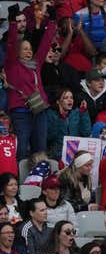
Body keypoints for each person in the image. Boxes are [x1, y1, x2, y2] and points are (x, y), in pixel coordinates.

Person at [6, 18, 57, 160]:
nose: (29, 51)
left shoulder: (36, 64)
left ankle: (38, 180)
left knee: (40, 149)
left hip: (39, 111)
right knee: (21, 149)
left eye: (30, 49)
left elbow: (45, 44)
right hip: (21, 113)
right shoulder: (12, 65)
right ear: (17, 51)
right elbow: (11, 44)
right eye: (25, 49)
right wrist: (13, 24)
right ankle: (17, 181)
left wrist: (52, 22)